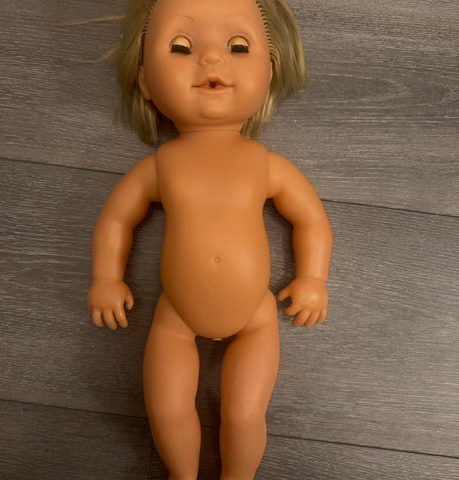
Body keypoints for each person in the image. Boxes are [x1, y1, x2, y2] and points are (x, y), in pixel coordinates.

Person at [87, 0, 332, 478]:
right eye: (181, 47)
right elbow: (116, 220)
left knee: (244, 414)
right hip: (176, 314)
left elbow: (310, 220)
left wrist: (313, 279)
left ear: (269, 72)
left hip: (256, 315)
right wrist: (105, 279)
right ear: (145, 80)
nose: (212, 58)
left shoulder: (265, 164)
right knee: (166, 410)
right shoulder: (161, 166)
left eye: (238, 46)